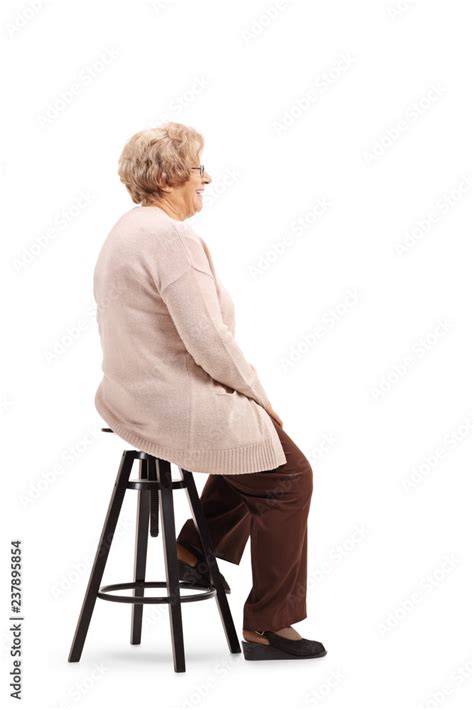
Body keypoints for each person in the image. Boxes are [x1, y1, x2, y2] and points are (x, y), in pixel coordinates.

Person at [93, 122, 327, 661]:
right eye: (199, 169)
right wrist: (261, 398)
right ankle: (270, 626)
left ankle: (192, 547)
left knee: (254, 449)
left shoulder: (128, 228)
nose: (207, 178)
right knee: (288, 477)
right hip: (169, 397)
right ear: (172, 174)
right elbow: (209, 342)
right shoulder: (170, 238)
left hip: (131, 392)